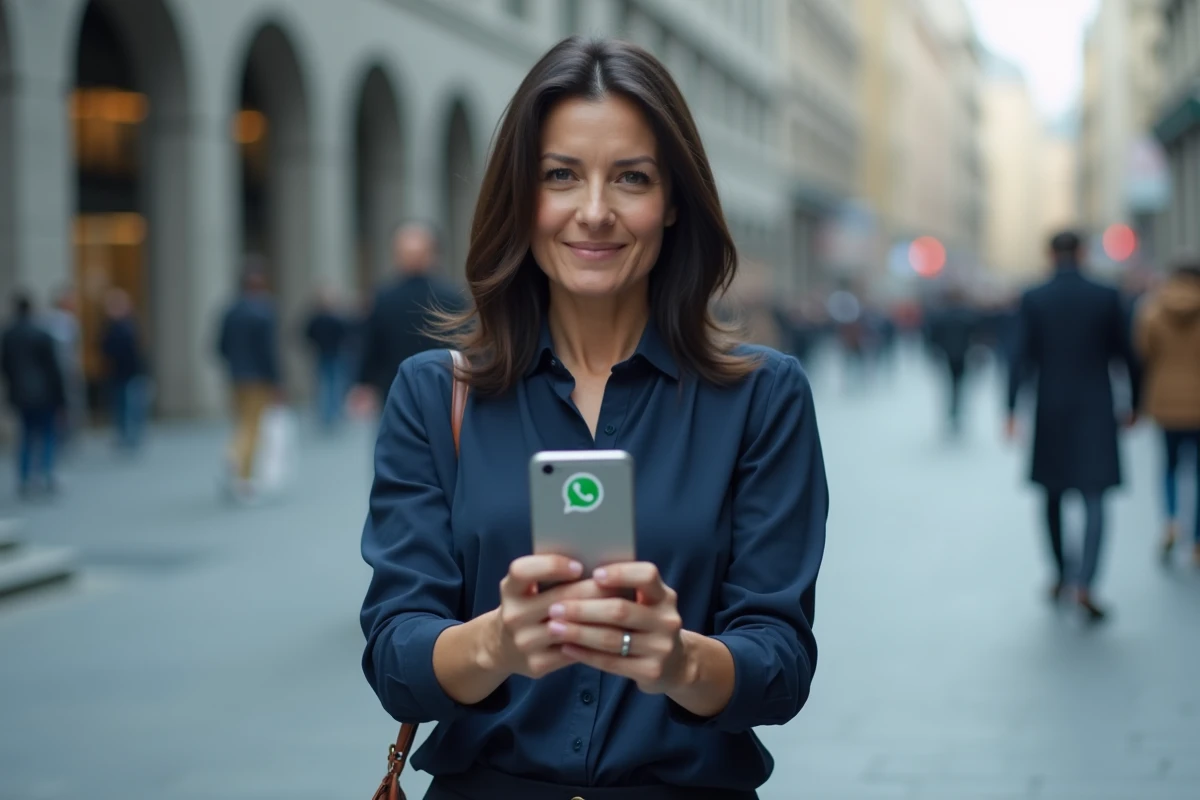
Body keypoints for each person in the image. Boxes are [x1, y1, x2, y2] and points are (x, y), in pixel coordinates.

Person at [359, 37, 829, 800]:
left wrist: (678, 660)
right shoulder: (434, 393)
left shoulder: (762, 397)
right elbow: (395, 657)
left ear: (673, 199)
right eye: (560, 175)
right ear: (521, 192)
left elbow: (779, 664)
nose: (596, 211)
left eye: (632, 178)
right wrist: (501, 640)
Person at [1006, 231, 1140, 623]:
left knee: (1052, 494)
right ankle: (1086, 581)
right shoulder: (1106, 294)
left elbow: (1019, 355)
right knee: (1095, 495)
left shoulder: (1034, 296)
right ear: (1082, 252)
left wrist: (1011, 408)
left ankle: (1061, 573)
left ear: (1050, 254)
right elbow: (1127, 353)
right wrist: (1136, 401)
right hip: (1097, 406)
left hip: (1050, 407)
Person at [348, 222, 464, 416]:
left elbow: (371, 345)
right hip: (442, 386)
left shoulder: (383, 297)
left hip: (396, 386)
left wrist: (363, 382)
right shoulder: (452, 296)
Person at [1134, 257, 1200, 566]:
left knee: (1170, 467)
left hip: (1165, 401)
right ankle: (1198, 539)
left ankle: (1171, 522)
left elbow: (1142, 352)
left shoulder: (1153, 309)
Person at [217, 261, 281, 500]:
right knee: (252, 427)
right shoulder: (264, 310)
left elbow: (220, 345)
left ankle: (235, 458)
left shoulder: (231, 310)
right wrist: (276, 380)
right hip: (259, 378)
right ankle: (240, 470)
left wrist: (233, 364)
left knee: (241, 421)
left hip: (236, 375)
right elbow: (269, 351)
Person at [1, 293, 67, 497]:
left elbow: (5, 367)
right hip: (45, 393)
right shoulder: (41, 333)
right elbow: (54, 369)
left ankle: (25, 477)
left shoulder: (8, 335)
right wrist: (62, 398)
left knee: (26, 434)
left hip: (21, 394)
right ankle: (46, 475)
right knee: (47, 434)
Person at [926, 284, 981, 437]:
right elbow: (976, 337)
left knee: (952, 385)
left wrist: (935, 352)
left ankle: (953, 411)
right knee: (959, 385)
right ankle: (956, 412)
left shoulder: (942, 315)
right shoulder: (967, 315)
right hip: (962, 355)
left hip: (949, 355)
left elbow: (933, 337)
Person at [100, 288, 149, 451]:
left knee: (131, 406)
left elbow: (136, 352)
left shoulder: (129, 325)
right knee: (120, 407)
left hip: (131, 373)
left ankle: (131, 436)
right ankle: (124, 435)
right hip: (117, 373)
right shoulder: (110, 327)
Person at [302, 287, 351, 430]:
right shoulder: (334, 319)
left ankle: (327, 413)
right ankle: (331, 413)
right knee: (332, 384)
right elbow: (345, 335)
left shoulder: (318, 319)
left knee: (326, 384)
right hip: (331, 354)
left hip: (326, 354)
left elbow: (308, 334)